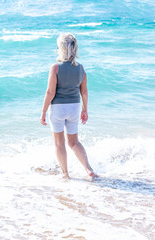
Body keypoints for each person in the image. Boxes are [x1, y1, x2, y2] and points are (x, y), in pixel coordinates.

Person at [40, 33, 98, 179]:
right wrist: (85, 109)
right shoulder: (81, 68)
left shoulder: (55, 67)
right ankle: (88, 169)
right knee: (74, 142)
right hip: (74, 107)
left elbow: (50, 92)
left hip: (58, 109)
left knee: (60, 144)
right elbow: (84, 91)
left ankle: (65, 174)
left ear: (61, 48)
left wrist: (43, 112)